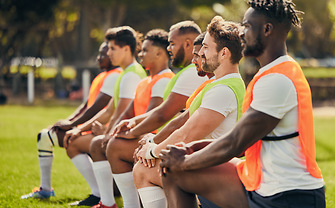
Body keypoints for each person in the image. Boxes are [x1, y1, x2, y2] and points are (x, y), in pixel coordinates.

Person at [160, 0, 326, 208]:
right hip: (263, 185)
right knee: (173, 171)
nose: (241, 33)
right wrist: (192, 149)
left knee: (177, 167)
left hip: (289, 196)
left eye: (247, 27)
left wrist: (184, 160)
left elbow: (235, 143)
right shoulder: (270, 73)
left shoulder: (278, 80)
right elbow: (237, 143)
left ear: (267, 29)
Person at [133, 16, 245, 208]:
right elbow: (184, 122)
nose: (200, 52)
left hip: (217, 170)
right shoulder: (218, 84)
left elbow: (188, 133)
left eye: (206, 47)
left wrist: (151, 151)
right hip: (207, 163)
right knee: (150, 166)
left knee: (143, 169)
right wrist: (153, 143)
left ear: (224, 53)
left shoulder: (223, 90)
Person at [103, 21, 208, 208]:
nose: (169, 49)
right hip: (175, 139)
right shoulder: (186, 72)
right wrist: (134, 125)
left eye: (172, 44)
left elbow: (163, 114)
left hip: (184, 145)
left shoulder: (192, 73)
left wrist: (139, 136)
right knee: (121, 147)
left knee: (118, 147)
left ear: (188, 43)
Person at [21, 42, 121, 200]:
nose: (98, 58)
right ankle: (99, 192)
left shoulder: (116, 75)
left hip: (99, 131)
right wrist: (67, 122)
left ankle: (98, 193)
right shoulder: (104, 75)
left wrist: (72, 125)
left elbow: (97, 108)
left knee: (48, 138)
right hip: (88, 128)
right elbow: (86, 105)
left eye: (103, 54)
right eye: (99, 54)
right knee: (47, 136)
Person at [88, 29, 174, 208]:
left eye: (145, 51)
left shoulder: (164, 79)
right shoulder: (145, 81)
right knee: (101, 143)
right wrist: (111, 131)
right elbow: (127, 113)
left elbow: (154, 116)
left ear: (159, 53)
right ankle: (109, 202)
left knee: (115, 146)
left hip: (157, 138)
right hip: (142, 135)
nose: (140, 54)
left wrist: (128, 134)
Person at [63, 26, 148, 206]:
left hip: (133, 135)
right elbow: (109, 111)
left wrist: (107, 133)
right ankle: (104, 198)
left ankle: (105, 200)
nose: (108, 53)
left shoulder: (131, 75)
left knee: (91, 143)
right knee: (75, 139)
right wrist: (79, 129)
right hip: (124, 132)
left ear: (126, 49)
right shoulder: (125, 72)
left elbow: (123, 113)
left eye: (112, 48)